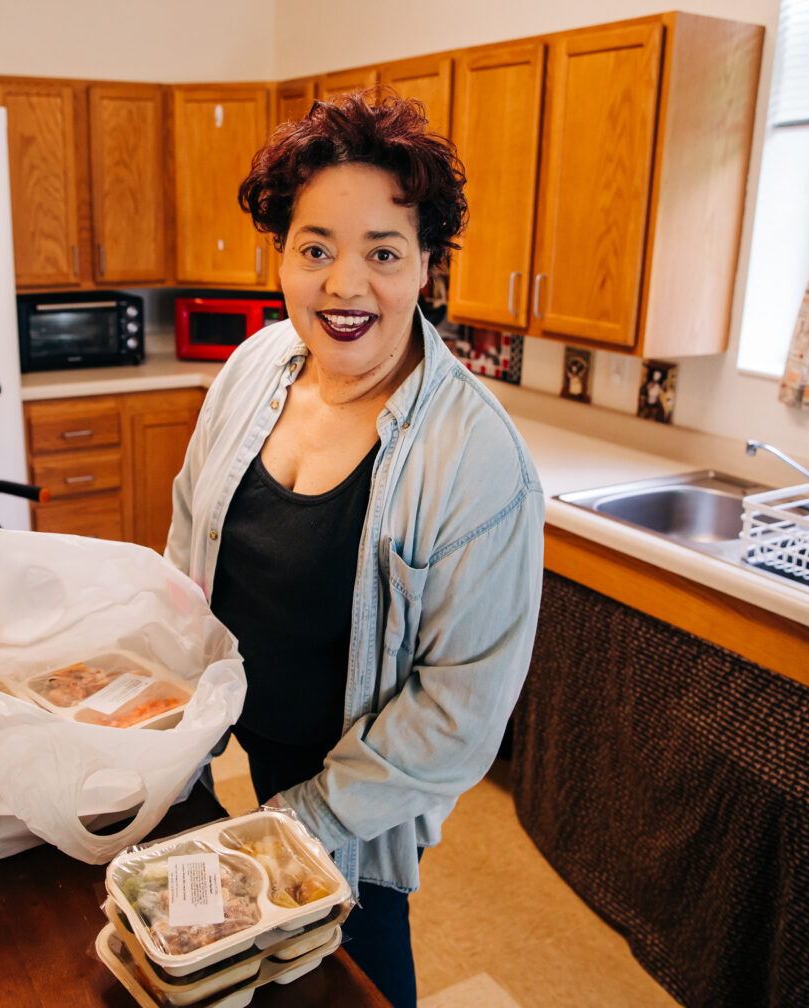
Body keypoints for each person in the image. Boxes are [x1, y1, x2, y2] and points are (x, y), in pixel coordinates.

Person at [165, 92, 543, 1008]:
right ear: (282, 255)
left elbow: (458, 711)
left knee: (354, 978)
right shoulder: (254, 366)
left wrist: (298, 822)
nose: (344, 286)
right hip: (244, 752)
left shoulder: (476, 456)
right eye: (316, 248)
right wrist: (168, 736)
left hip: (362, 803)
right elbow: (187, 545)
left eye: (382, 253)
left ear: (425, 269)